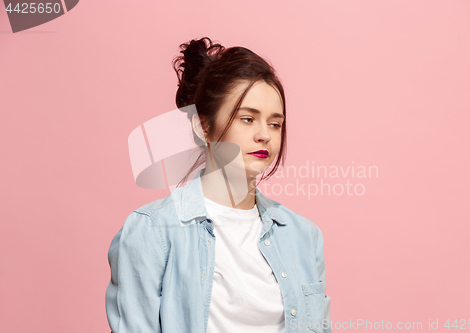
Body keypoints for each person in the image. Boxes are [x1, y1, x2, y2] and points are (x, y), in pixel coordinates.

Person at [105, 37, 331, 333]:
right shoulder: (152, 232)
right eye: (247, 119)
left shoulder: (303, 236)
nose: (264, 134)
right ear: (202, 126)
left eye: (275, 123)